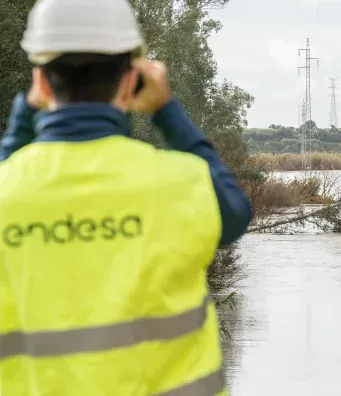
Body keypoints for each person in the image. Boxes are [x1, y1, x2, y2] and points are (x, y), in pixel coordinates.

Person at [0, 0, 252, 394]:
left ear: (43, 84)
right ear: (130, 80)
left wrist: (21, 118)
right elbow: (235, 214)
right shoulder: (180, 181)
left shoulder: (6, 189)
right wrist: (166, 110)